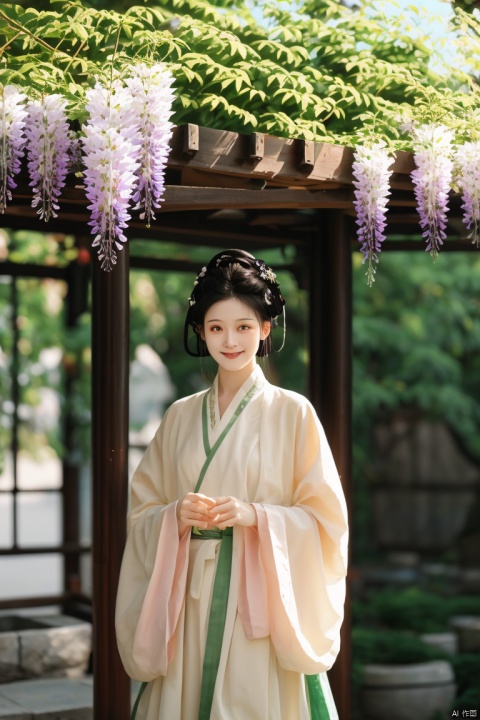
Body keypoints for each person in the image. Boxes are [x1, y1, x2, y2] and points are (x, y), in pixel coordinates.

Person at [115, 249, 349, 720]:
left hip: (259, 595)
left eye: (244, 326)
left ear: (265, 329)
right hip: (186, 595)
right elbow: (143, 508)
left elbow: (326, 520)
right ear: (201, 331)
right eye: (217, 327)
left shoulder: (294, 412)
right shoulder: (180, 415)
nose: (230, 340)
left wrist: (257, 516)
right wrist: (172, 515)